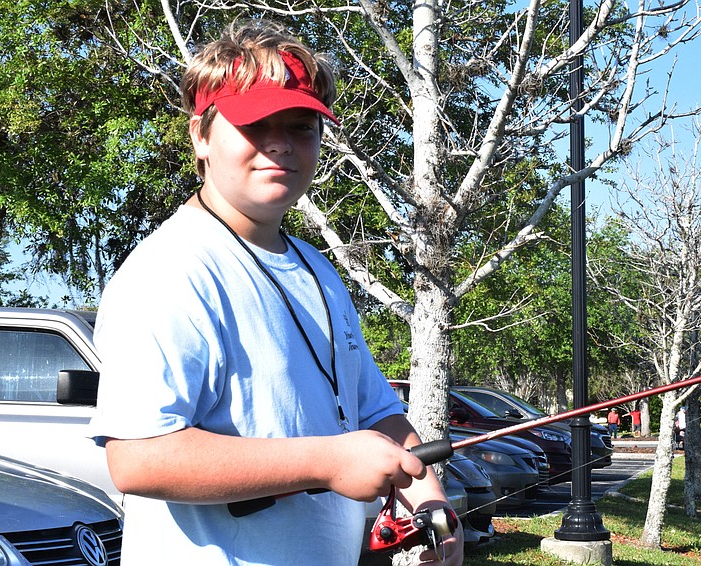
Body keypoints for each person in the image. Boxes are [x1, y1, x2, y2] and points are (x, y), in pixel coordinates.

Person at [89, 20, 463, 565]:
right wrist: (327, 462)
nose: (282, 143)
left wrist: (430, 503)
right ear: (201, 135)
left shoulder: (316, 268)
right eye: (256, 123)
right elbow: (140, 459)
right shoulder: (169, 271)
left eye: (301, 125)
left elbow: (376, 412)